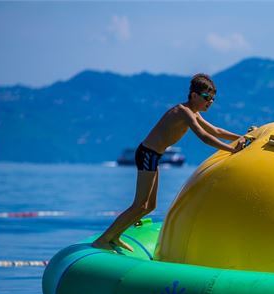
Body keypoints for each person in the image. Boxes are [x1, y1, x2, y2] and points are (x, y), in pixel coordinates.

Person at [92, 73, 246, 252]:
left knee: (150, 206)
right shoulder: (183, 111)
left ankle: (115, 236)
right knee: (139, 204)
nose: (210, 102)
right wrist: (232, 150)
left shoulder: (193, 113)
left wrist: (242, 137)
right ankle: (103, 240)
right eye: (206, 97)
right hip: (147, 154)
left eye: (212, 99)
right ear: (194, 95)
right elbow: (204, 136)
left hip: (153, 156)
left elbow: (216, 130)